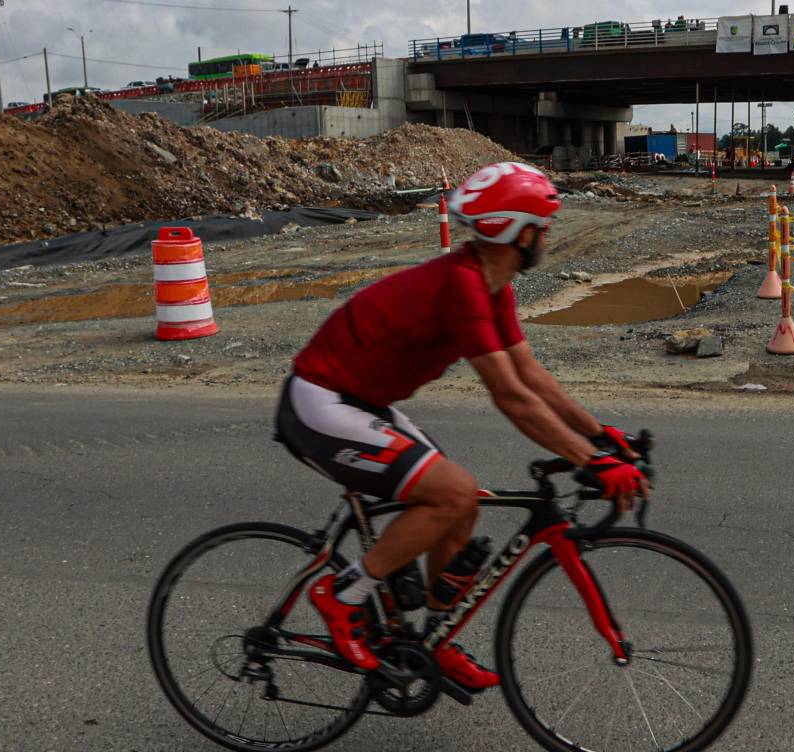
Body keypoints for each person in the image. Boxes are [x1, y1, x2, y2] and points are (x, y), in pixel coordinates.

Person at [278, 162, 649, 688]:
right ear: (518, 232)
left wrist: (598, 436)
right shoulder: (462, 285)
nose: (547, 235)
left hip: (362, 403)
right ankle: (341, 597)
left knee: (461, 503)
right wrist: (592, 462)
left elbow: (530, 375)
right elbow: (511, 398)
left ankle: (432, 640)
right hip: (319, 402)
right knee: (452, 494)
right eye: (542, 226)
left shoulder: (493, 287)